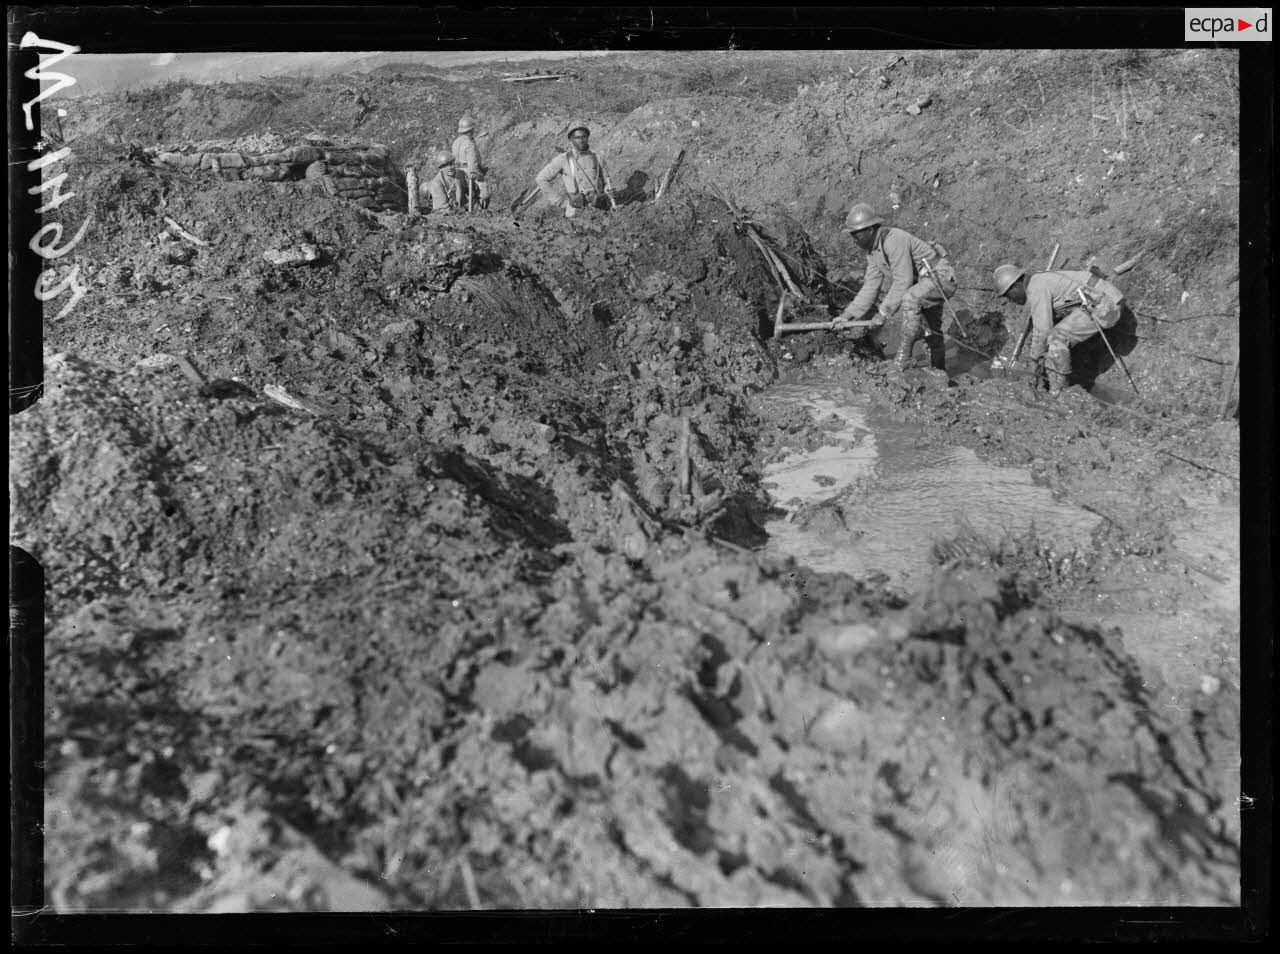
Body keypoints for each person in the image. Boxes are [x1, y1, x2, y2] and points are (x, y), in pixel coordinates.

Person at [831, 203, 957, 371]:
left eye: (856, 234)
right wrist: (846, 316)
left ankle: (904, 358)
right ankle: (941, 374)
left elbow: (903, 281)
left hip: (940, 278)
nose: (853, 238)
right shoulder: (873, 252)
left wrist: (883, 313)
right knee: (933, 333)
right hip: (922, 285)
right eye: (851, 234)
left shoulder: (893, 240)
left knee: (910, 299)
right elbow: (870, 287)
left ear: (869, 230)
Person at [993, 262, 1126, 395]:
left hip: (1105, 305)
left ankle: (1059, 392)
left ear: (1015, 286)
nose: (1010, 300)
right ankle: (1056, 386)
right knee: (1051, 340)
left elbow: (1043, 331)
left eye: (1008, 295)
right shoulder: (1038, 281)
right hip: (1103, 299)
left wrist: (1034, 362)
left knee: (1056, 339)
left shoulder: (1037, 289)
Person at [534, 121, 616, 218]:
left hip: (600, 209)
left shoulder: (598, 157)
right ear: (571, 139)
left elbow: (606, 180)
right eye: (577, 138)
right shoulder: (563, 159)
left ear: (588, 137)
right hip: (576, 213)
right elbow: (541, 178)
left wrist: (608, 190)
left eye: (584, 136)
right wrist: (560, 202)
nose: (581, 140)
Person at [451, 115, 489, 211]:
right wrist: (480, 175)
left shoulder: (455, 143)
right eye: (473, 129)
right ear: (470, 130)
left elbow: (456, 161)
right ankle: (481, 211)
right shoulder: (470, 144)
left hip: (457, 174)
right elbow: (473, 165)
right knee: (486, 193)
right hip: (469, 175)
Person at [420, 150, 462, 214]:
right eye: (445, 165)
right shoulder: (437, 183)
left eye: (451, 164)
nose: (449, 167)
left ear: (454, 163)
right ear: (441, 168)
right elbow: (442, 209)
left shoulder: (460, 173)